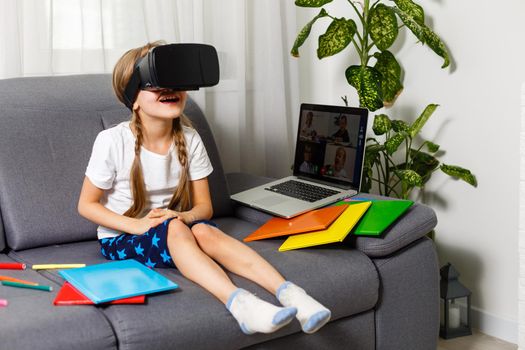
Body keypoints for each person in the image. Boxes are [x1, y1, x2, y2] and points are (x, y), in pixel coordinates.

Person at [77, 42, 331, 335]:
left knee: (203, 229)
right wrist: (136, 226)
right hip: (122, 238)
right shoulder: (112, 141)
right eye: (157, 83)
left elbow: (204, 208)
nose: (169, 89)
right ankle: (239, 303)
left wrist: (184, 217)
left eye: (175, 82)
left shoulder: (189, 138)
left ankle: (290, 293)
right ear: (133, 98)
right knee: (175, 229)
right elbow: (86, 205)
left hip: (173, 227)